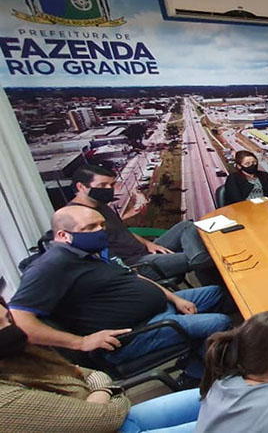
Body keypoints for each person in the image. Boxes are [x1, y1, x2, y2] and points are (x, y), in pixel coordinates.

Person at [9, 205, 231, 383]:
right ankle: (197, 376)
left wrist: (175, 298)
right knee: (220, 322)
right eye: (90, 227)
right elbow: (20, 320)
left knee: (216, 293)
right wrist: (81, 342)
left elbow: (132, 277)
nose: (100, 231)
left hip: (159, 308)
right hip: (133, 334)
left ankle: (197, 355)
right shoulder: (51, 266)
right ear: (63, 235)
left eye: (102, 225)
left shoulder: (89, 252)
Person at [0, 297, 202, 433]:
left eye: (8, 319)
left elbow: (91, 375)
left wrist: (102, 394)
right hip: (115, 420)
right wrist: (111, 392)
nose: (10, 328)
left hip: (122, 420)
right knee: (229, 423)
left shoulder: (19, 356)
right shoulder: (5, 401)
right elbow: (105, 418)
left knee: (220, 395)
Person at [69, 164, 212, 282]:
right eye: (102, 185)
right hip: (138, 265)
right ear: (81, 187)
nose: (108, 189)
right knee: (207, 257)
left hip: (143, 250)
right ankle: (199, 259)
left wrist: (148, 243)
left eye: (111, 184)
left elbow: (124, 231)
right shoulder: (77, 217)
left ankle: (198, 258)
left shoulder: (100, 204)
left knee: (186, 225)